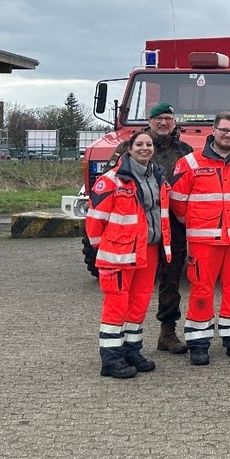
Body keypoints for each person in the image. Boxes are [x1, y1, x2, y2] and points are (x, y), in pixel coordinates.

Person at [170, 112, 230, 366]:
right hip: (204, 241)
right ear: (214, 130)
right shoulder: (190, 162)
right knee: (202, 290)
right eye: (224, 130)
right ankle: (199, 344)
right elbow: (178, 203)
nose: (228, 135)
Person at [108, 102, 192, 355]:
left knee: (170, 280)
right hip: (134, 228)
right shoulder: (129, 147)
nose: (163, 123)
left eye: (168, 118)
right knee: (133, 284)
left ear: (174, 122)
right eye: (159, 119)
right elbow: (112, 182)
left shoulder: (184, 150)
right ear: (150, 121)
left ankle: (167, 332)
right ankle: (124, 335)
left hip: (171, 227)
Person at [87, 130, 172, 378]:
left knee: (139, 303)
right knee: (116, 305)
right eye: (139, 144)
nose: (144, 148)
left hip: (149, 250)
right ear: (129, 148)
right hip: (118, 254)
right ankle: (111, 359)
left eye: (148, 144)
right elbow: (94, 222)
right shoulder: (111, 180)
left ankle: (131, 351)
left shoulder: (157, 176)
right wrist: (105, 250)